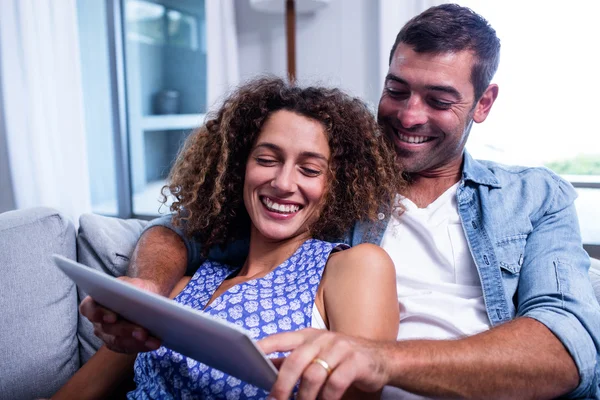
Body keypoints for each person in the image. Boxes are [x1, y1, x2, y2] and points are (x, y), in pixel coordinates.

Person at [82, 4, 600, 399]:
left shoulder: (532, 196)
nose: (410, 116)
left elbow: (568, 344)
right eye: (397, 90)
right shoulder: (334, 190)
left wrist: (382, 359)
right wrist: (146, 287)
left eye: (439, 100)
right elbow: (179, 230)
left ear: (482, 104)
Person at [60, 77, 404, 399]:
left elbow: (362, 386)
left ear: (335, 187)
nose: (283, 183)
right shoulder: (183, 287)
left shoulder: (353, 267)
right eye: (267, 160)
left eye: (310, 169)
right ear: (240, 169)